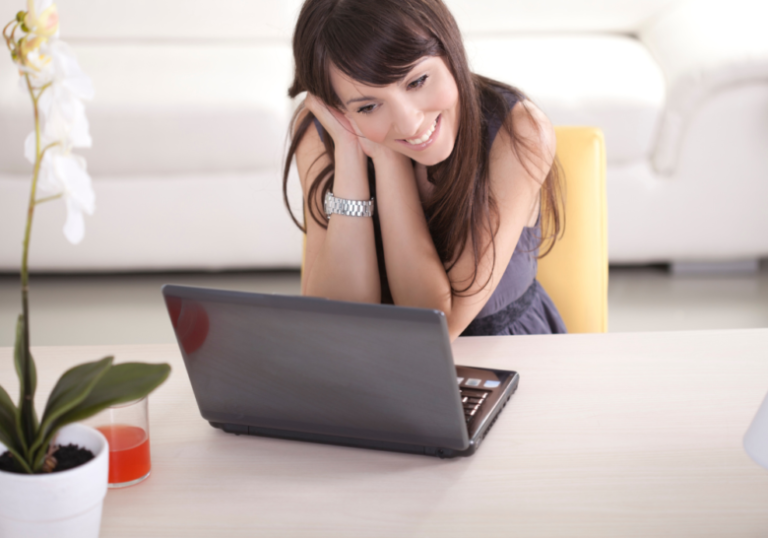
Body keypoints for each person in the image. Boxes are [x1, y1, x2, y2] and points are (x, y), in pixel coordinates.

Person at [282, 0, 566, 341]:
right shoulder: (323, 131)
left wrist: (388, 158)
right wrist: (353, 151)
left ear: (448, 49)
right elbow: (337, 323)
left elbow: (437, 326)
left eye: (417, 81)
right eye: (369, 105)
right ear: (338, 109)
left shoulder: (519, 132)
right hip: (382, 364)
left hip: (506, 362)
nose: (409, 122)